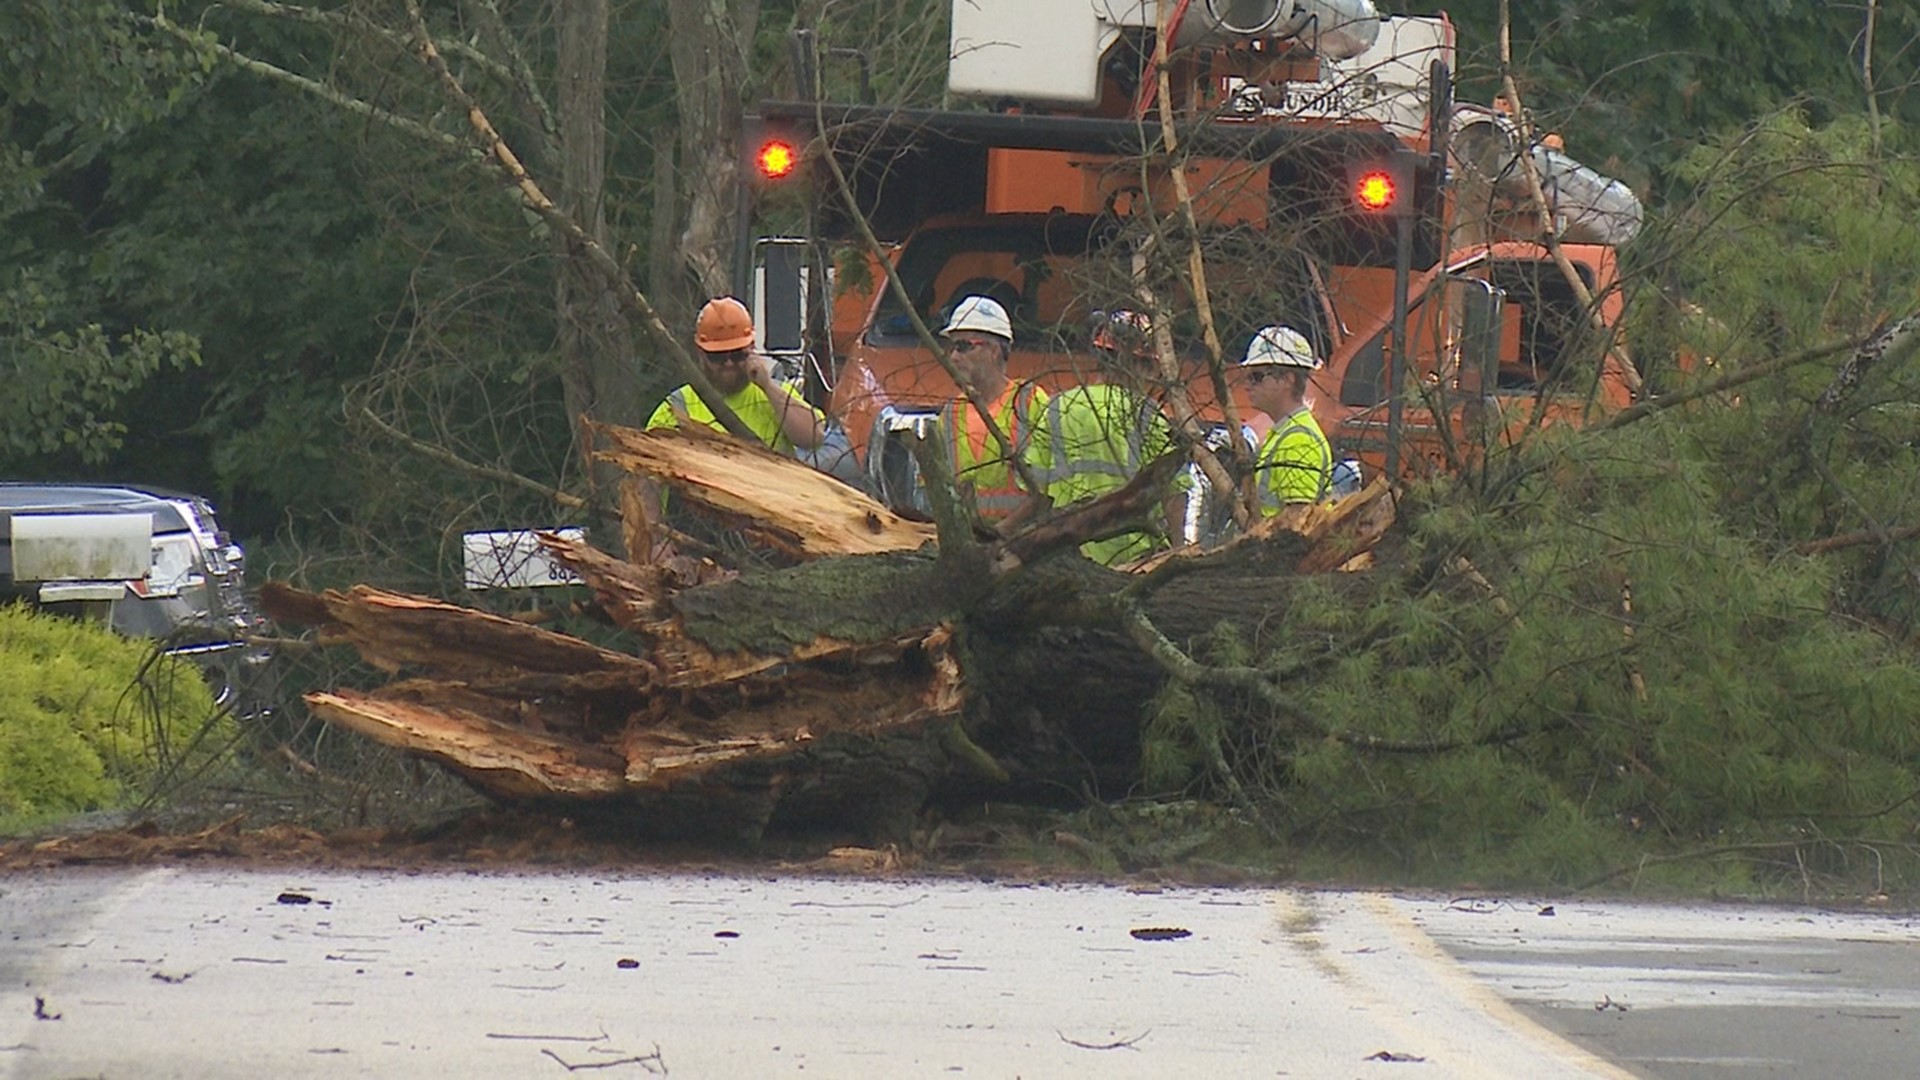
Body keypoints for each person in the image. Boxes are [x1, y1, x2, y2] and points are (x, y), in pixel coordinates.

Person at [1045, 309, 1188, 565]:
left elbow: (1033, 485)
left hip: (1065, 554)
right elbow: (1174, 491)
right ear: (1139, 364)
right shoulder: (1146, 414)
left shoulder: (1056, 407)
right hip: (1132, 554)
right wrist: (1179, 551)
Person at [646, 296, 824, 453]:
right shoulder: (678, 406)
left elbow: (814, 437)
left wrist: (768, 387)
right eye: (718, 357)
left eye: (738, 354)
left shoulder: (775, 394)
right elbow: (647, 468)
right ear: (700, 353)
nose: (728, 364)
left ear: (752, 348)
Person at [937, 295, 1054, 526]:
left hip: (1023, 544)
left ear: (993, 350)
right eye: (952, 347)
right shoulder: (950, 414)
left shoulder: (1030, 403)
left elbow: (1050, 486)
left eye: (963, 346)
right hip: (969, 546)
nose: (953, 357)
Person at [1239, 324, 1333, 511]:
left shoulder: (1298, 441)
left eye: (1256, 376)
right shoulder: (1283, 432)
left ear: (1288, 380)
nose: (1247, 385)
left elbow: (1297, 522)